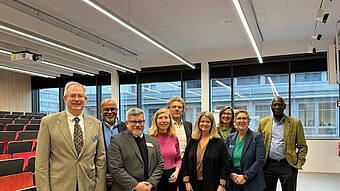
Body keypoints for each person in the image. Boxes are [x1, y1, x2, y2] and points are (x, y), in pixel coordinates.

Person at [35, 81, 106, 191]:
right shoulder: (48, 123)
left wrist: (100, 188)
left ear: (85, 99)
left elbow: (101, 160)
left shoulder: (96, 124)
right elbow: (41, 162)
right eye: (72, 96)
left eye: (80, 96)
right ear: (65, 99)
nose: (76, 99)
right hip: (59, 186)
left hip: (88, 185)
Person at [257, 96, 308, 191]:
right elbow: (258, 145)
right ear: (271, 107)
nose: (277, 107)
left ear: (284, 106)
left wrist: (299, 162)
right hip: (268, 165)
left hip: (288, 165)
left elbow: (302, 146)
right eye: (274, 105)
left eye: (279, 105)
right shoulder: (263, 122)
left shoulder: (295, 123)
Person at [107, 108, 164, 191]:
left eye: (140, 121)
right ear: (127, 123)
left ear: (144, 122)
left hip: (149, 188)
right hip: (126, 188)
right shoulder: (116, 140)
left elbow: (160, 164)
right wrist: (136, 185)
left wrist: (151, 183)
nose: (137, 125)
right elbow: (115, 168)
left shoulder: (153, 141)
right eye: (133, 122)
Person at [181, 111, 231, 191]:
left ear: (212, 124)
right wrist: (186, 181)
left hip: (213, 185)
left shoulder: (218, 142)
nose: (205, 124)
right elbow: (185, 161)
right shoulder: (192, 141)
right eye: (202, 121)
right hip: (192, 184)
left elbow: (226, 164)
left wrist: (222, 185)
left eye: (208, 122)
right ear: (198, 123)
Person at [226, 109, 266, 191]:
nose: (241, 121)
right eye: (239, 118)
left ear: (249, 121)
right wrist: (230, 174)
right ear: (234, 121)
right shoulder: (230, 138)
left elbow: (260, 160)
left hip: (252, 181)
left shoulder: (257, 137)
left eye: (244, 118)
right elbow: (225, 159)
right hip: (233, 180)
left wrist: (245, 176)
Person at [149, 108, 181, 191]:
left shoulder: (174, 138)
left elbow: (178, 159)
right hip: (155, 177)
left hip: (171, 176)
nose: (163, 121)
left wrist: (177, 172)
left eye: (166, 117)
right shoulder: (150, 139)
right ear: (155, 121)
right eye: (160, 118)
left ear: (170, 120)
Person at [100, 98, 127, 190]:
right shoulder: (96, 127)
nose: (110, 112)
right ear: (101, 111)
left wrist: (118, 175)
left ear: (117, 111)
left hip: (123, 175)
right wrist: (103, 174)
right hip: (102, 176)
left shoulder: (126, 128)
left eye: (112, 109)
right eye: (106, 109)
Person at [167, 96, 193, 191]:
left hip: (186, 164)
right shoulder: (165, 125)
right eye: (174, 107)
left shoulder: (188, 125)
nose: (177, 109)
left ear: (183, 110)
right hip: (170, 164)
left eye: (179, 107)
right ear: (169, 109)